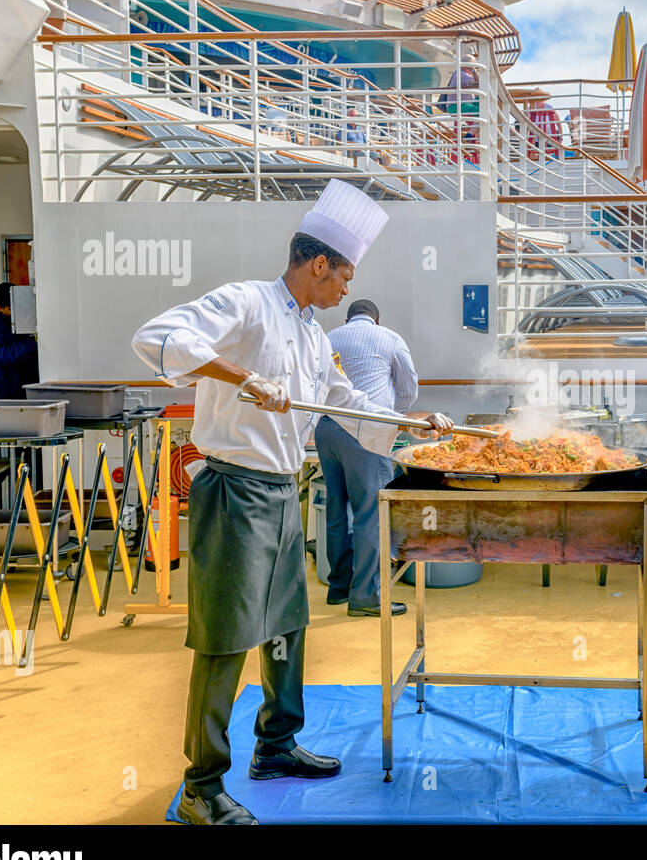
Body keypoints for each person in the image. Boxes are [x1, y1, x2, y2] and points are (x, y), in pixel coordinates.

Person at [131, 180, 455, 825]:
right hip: (234, 489)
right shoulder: (247, 302)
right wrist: (242, 375)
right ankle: (202, 785)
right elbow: (158, 336)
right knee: (225, 638)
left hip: (282, 490)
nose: (344, 290)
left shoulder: (313, 335)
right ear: (318, 266)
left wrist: (410, 422)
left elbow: (346, 404)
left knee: (286, 625)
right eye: (343, 278)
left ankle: (276, 745)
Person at [315, 299, 419, 617]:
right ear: (376, 318)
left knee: (337, 509)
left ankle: (339, 589)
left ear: (349, 318)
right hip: (365, 434)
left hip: (327, 428)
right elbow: (408, 389)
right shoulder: (388, 338)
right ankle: (365, 596)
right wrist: (388, 417)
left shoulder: (328, 337)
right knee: (371, 513)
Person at [0, 283, 40, 399]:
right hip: (7, 391)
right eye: (10, 308)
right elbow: (0, 356)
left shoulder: (30, 318)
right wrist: (34, 342)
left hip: (33, 387)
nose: (16, 311)